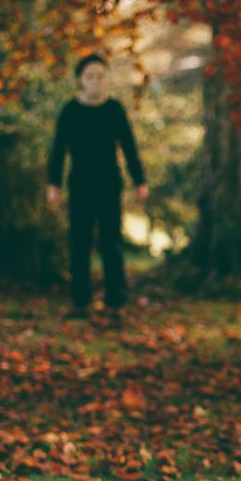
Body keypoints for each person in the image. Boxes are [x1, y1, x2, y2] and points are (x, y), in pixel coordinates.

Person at [47, 54, 148, 323]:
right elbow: (58, 150)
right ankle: (80, 302)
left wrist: (140, 181)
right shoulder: (70, 111)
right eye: (90, 76)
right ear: (81, 80)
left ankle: (116, 303)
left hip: (109, 186)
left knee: (110, 243)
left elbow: (129, 147)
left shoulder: (114, 110)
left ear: (107, 79)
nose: (95, 81)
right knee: (79, 243)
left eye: (100, 76)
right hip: (79, 185)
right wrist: (53, 183)